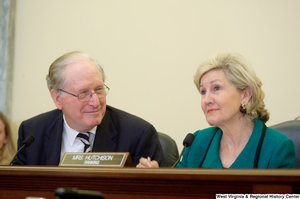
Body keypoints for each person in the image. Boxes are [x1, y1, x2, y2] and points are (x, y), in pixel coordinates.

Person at [137, 52, 295, 169]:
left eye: (216, 88)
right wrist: (158, 180)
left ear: (245, 95)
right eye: (203, 92)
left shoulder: (277, 147)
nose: (207, 100)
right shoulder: (198, 141)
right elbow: (177, 190)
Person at [14, 51, 163, 166]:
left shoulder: (138, 135)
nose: (95, 102)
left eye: (99, 89)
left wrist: (151, 182)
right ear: (58, 99)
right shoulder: (32, 133)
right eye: (83, 93)